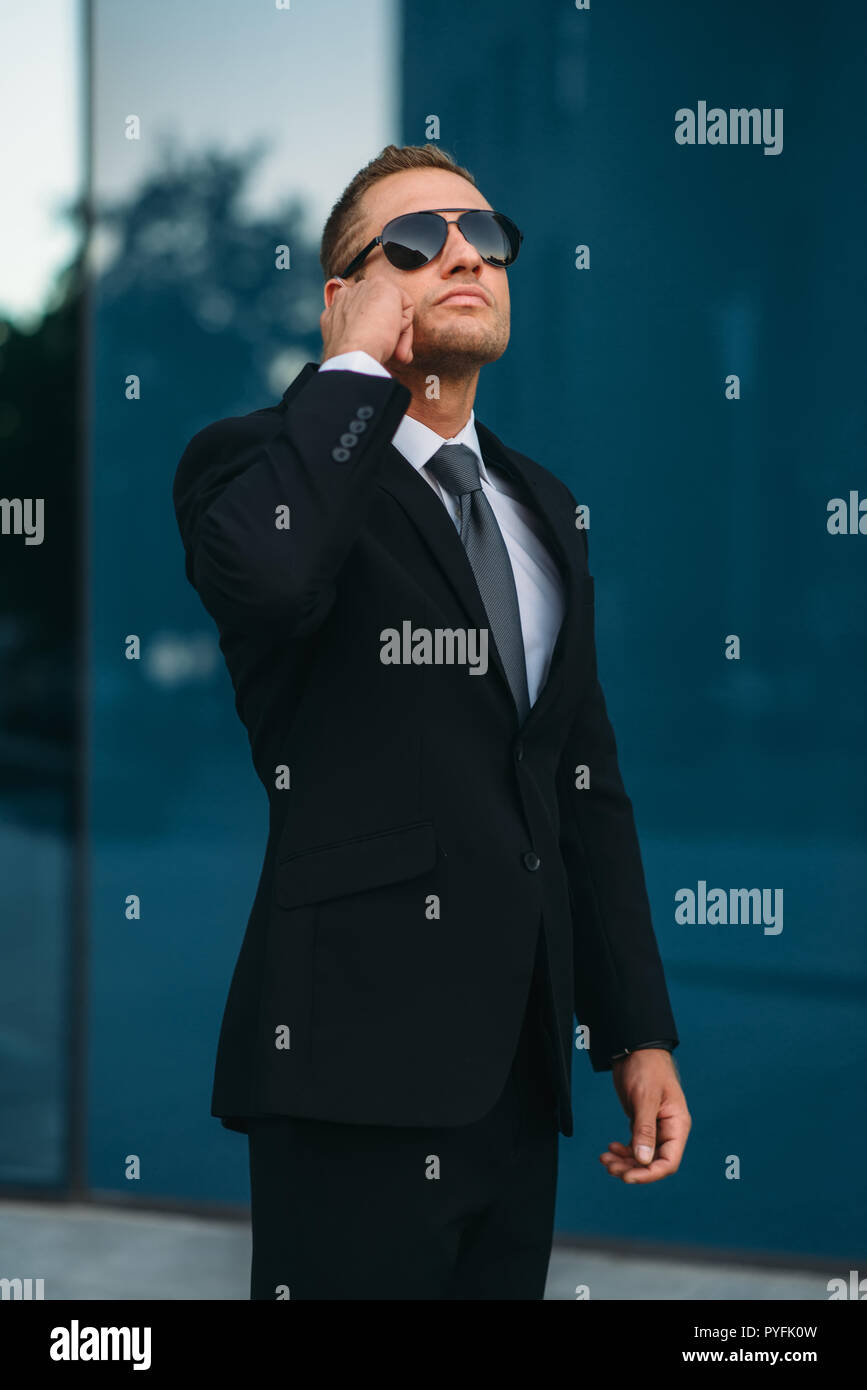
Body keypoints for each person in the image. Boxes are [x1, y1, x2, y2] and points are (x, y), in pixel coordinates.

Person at [172, 143, 691, 1300]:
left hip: (519, 1075)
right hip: (348, 1064)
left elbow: (580, 780)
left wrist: (636, 1031)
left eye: (484, 235)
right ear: (345, 292)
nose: (464, 251)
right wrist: (354, 372)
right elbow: (272, 580)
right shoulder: (255, 463)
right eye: (416, 241)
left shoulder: (545, 505)